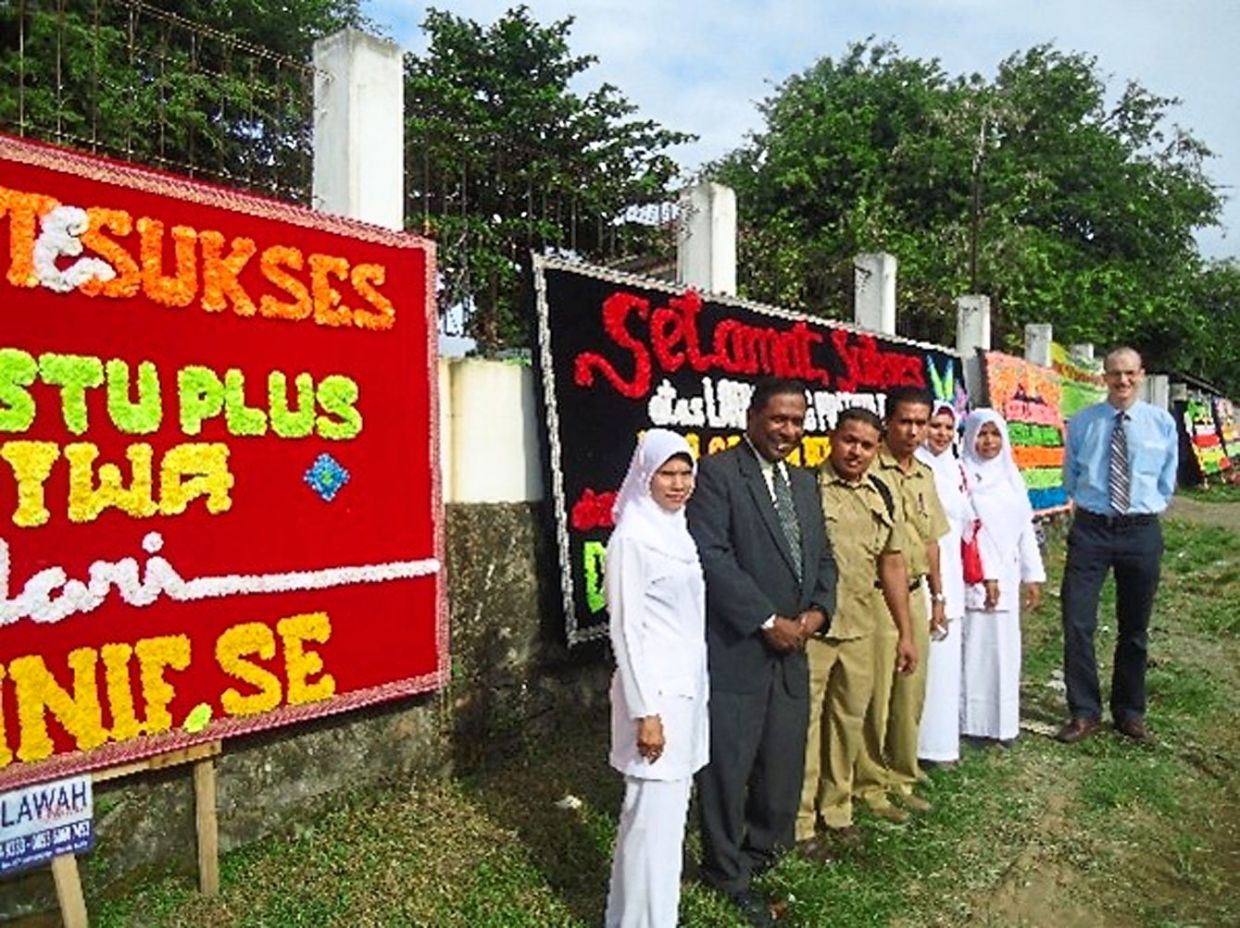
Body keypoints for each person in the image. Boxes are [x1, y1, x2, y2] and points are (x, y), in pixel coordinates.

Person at [686, 378, 838, 928]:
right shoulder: (720, 475)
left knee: (781, 759)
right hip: (740, 648)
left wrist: (818, 612)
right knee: (729, 764)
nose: (788, 431)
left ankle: (764, 851)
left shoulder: (804, 483)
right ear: (752, 416)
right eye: (778, 419)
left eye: (797, 421)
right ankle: (724, 869)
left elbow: (823, 556)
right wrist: (765, 619)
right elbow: (712, 556)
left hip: (795, 644)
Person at [796, 408, 916, 853]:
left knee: (848, 723)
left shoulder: (880, 493)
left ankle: (838, 810)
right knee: (806, 728)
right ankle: (802, 819)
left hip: (863, 629)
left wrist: (905, 632)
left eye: (867, 445)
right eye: (849, 441)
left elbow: (893, 564)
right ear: (832, 438)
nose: (856, 452)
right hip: (815, 631)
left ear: (876, 447)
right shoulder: (806, 488)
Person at [604, 428, 709, 928]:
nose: (678, 483)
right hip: (657, 701)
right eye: (667, 473)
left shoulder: (677, 531)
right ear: (645, 476)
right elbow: (626, 630)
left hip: (686, 696)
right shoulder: (632, 538)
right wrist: (646, 712)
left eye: (685, 472)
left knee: (667, 824)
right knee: (649, 821)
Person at [1058, 347, 1178, 744]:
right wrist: (1095, 507)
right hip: (1092, 530)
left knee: (1135, 627)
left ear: (1141, 375)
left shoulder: (1161, 424)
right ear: (1104, 378)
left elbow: (1166, 478)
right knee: (1077, 621)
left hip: (1140, 531)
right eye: (1114, 374)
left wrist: (1143, 508)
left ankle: (1129, 711)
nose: (1122, 381)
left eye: (1129, 374)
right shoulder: (1083, 423)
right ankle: (1084, 711)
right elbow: (1072, 476)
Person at [854, 386, 948, 822]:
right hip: (875, 596)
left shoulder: (924, 474)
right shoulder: (870, 467)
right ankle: (870, 784)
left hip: (914, 595)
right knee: (877, 693)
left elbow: (931, 542)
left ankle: (902, 772)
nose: (913, 431)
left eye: (921, 423)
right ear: (888, 422)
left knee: (911, 693)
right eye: (905, 421)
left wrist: (939, 596)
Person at [958, 410, 1045, 744]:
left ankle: (1001, 724)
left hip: (1007, 576)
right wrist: (988, 576)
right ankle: (971, 724)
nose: (988, 442)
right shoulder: (963, 475)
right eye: (982, 434)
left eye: (995, 434)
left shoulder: (1011, 476)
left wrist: (1032, 575)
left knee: (1004, 651)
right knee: (976, 650)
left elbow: (1025, 526)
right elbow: (970, 530)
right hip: (976, 576)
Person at [915, 402, 971, 765]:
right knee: (925, 663)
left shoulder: (957, 468)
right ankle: (916, 747)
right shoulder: (917, 469)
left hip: (953, 570)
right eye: (934, 426)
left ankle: (942, 745)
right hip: (924, 573)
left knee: (948, 665)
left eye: (948, 428)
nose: (941, 434)